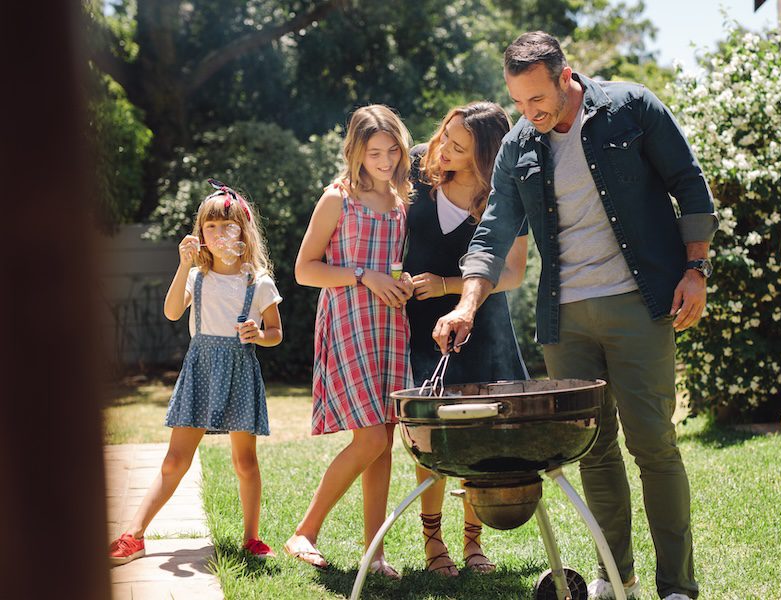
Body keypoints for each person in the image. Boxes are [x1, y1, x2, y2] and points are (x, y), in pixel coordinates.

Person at [433, 32, 718, 600]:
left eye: (537, 100)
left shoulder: (630, 109)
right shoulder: (519, 144)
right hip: (565, 318)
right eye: (518, 102)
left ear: (567, 77)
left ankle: (677, 586)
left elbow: (689, 184)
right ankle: (619, 579)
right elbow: (494, 230)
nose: (528, 113)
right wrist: (466, 302)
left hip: (640, 302)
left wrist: (697, 270)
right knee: (595, 449)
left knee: (654, 445)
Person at [109, 181, 284, 566]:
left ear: (244, 230)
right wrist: (183, 265)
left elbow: (276, 333)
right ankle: (134, 535)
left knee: (245, 463)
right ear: (200, 234)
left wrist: (260, 334)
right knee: (174, 460)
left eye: (228, 226)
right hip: (201, 368)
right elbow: (173, 312)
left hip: (239, 371)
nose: (220, 234)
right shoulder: (197, 277)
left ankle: (251, 537)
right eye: (211, 227)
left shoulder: (258, 282)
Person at [285, 105, 414, 579]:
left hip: (390, 324)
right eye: (373, 152)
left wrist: (402, 284)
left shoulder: (401, 201)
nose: (384, 160)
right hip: (349, 319)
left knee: (384, 439)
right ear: (355, 153)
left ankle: (374, 554)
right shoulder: (338, 198)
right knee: (370, 438)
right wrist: (364, 277)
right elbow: (304, 270)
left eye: (391, 150)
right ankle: (306, 530)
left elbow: (393, 267)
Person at [405, 101, 529, 576]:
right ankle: (433, 545)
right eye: (443, 137)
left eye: (458, 147)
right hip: (419, 327)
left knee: (479, 437)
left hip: (481, 326)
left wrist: (446, 285)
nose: (442, 151)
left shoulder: (506, 196)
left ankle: (473, 543)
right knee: (431, 435)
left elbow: (513, 274)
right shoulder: (417, 169)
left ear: (485, 156)